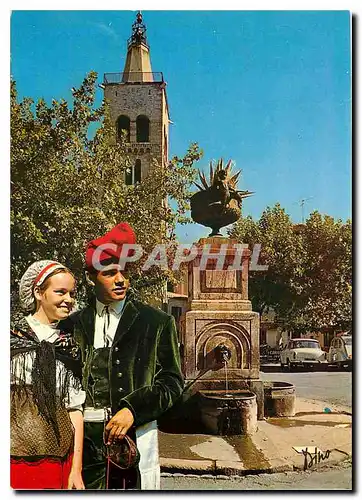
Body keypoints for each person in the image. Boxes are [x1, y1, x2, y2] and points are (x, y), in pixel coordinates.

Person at [62, 222, 184, 490]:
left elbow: (173, 382)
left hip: (133, 440)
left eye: (124, 272)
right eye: (110, 272)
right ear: (90, 277)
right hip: (82, 444)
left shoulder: (156, 323)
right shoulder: (71, 324)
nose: (120, 280)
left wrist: (133, 409)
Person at [10, 260, 86, 490]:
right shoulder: (12, 337)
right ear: (38, 292)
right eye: (60, 292)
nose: (69, 299)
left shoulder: (68, 346)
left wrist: (76, 469)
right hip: (13, 455)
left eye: (72, 293)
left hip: (57, 459)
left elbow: (74, 409)